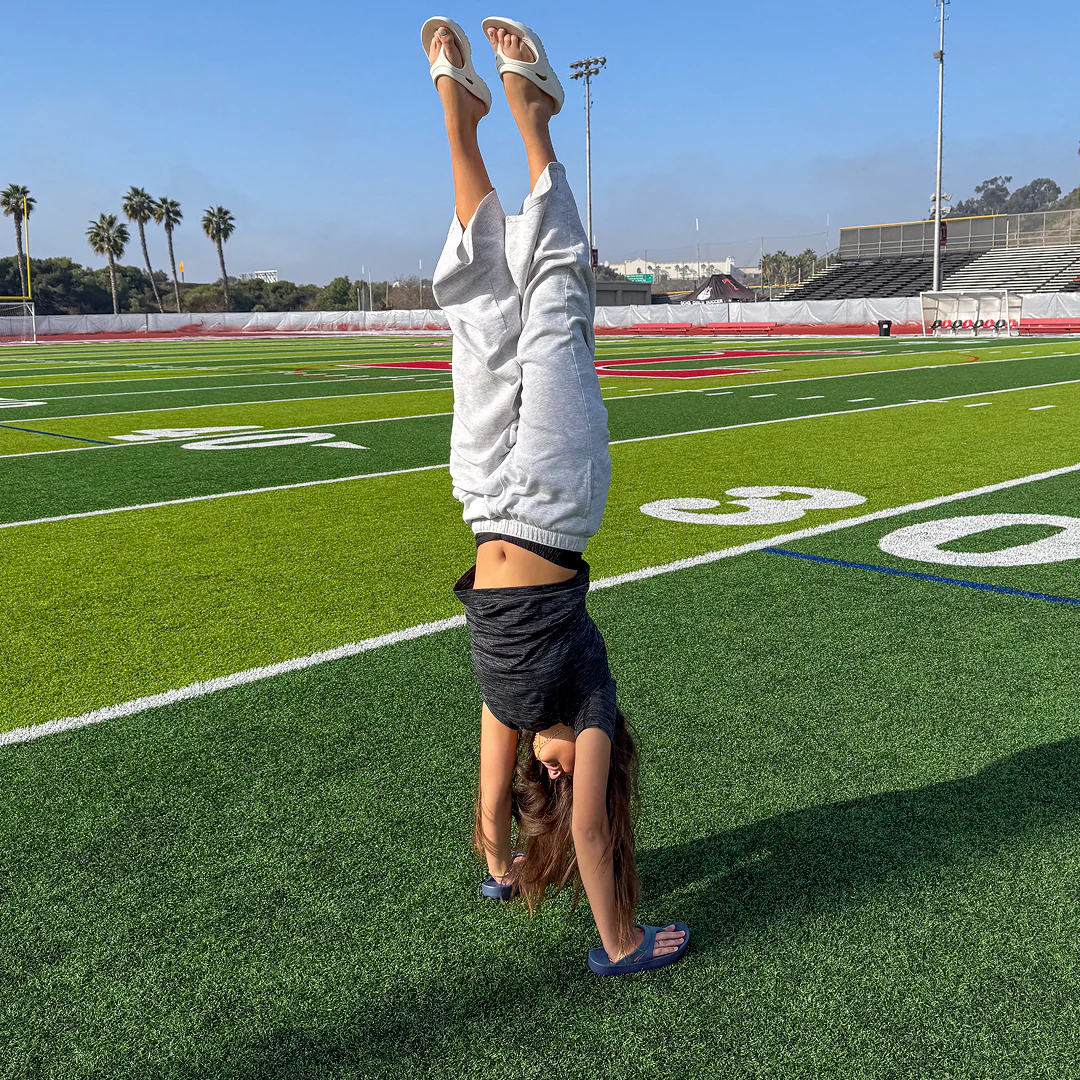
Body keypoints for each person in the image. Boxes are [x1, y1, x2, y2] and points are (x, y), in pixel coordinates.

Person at [424, 15, 689, 976]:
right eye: (568, 776)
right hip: (557, 506)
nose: (552, 770)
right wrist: (620, 942)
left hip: (483, 498)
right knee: (555, 312)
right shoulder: (590, 704)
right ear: (607, 766)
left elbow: (493, 804)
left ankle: (461, 117)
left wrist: (498, 866)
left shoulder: (507, 709)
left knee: (482, 313)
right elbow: (584, 835)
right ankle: (535, 119)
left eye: (546, 777)